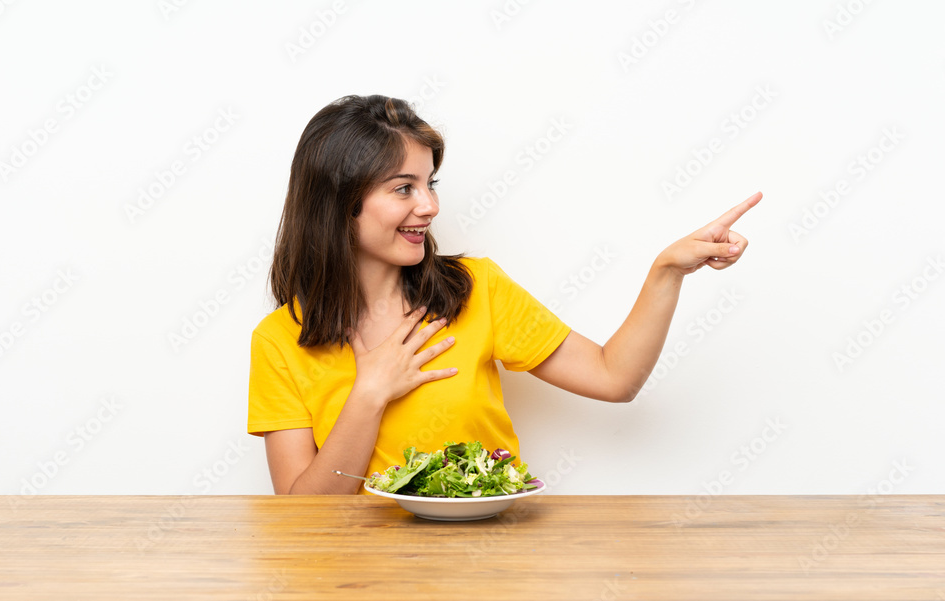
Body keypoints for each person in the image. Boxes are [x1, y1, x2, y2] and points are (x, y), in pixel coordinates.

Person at [247, 94, 761, 495]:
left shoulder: (476, 290)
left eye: (430, 183)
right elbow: (303, 515)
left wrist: (666, 272)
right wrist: (369, 394)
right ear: (338, 202)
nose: (430, 206)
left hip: (488, 564)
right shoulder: (279, 341)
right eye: (404, 188)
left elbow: (614, 377)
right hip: (359, 576)